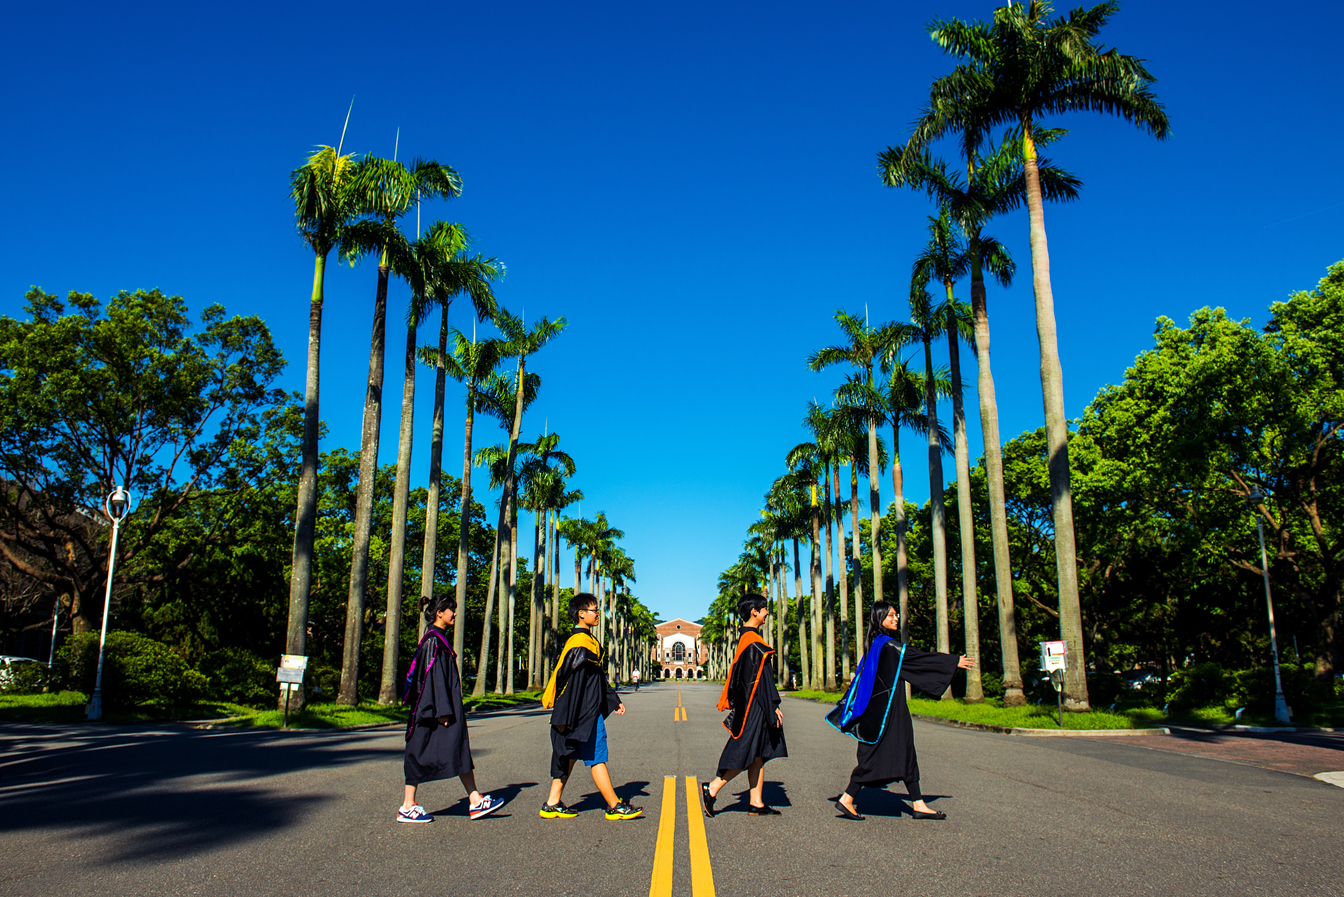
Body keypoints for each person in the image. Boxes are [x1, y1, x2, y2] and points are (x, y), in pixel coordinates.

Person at [827, 600, 975, 821]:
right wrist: (952, 662)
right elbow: (917, 659)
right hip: (885, 712)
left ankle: (918, 803)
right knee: (873, 755)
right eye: (890, 615)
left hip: (887, 708)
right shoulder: (888, 646)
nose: (896, 618)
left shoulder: (877, 643)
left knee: (905, 751)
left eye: (896, 615)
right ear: (879, 619)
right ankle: (848, 798)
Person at [398, 593, 502, 823]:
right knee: (419, 752)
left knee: (457, 749)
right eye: (451, 610)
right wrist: (443, 712)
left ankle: (475, 800)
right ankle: (407, 806)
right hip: (433, 710)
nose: (454, 614)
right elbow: (432, 678)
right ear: (439, 613)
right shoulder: (433, 641)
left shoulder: (436, 638)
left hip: (438, 708)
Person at [539, 592, 643, 820]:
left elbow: (595, 677)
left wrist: (614, 699)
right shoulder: (580, 644)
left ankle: (552, 803)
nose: (598, 614)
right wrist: (564, 717)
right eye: (594, 610)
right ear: (581, 614)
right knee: (596, 755)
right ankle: (615, 805)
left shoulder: (587, 641)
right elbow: (570, 683)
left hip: (580, 710)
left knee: (571, 755)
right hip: (583, 712)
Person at [700, 594, 786, 817]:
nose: (767, 612)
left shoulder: (748, 639)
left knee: (758, 753)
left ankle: (756, 802)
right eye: (764, 609)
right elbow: (762, 679)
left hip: (753, 704)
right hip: (755, 706)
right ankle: (713, 787)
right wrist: (772, 706)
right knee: (745, 750)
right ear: (754, 612)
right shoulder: (753, 642)